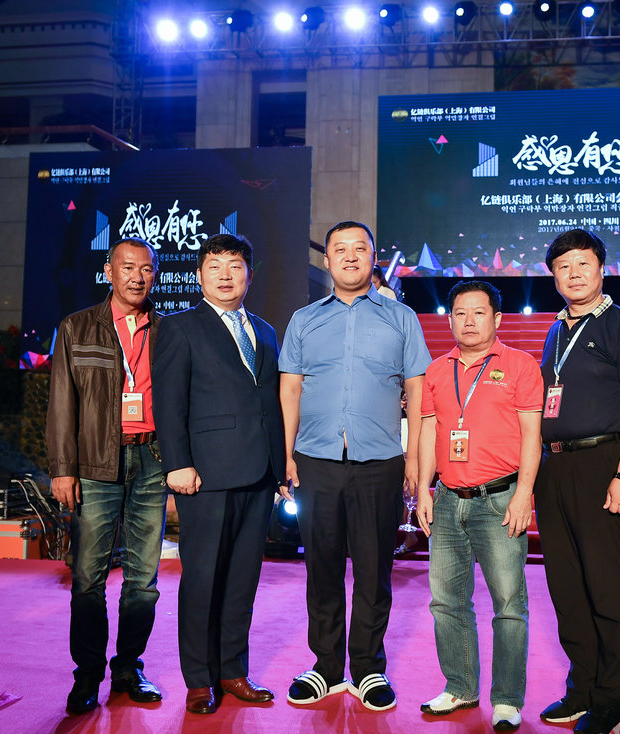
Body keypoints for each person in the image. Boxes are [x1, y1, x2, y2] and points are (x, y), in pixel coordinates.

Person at [279, 220, 431, 712]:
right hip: (316, 459)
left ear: (372, 257)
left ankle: (367, 668)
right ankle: (326, 668)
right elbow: (290, 389)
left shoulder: (401, 318)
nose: (349, 256)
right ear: (327, 261)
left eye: (359, 248)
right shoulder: (304, 320)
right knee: (321, 567)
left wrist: (413, 457)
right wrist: (286, 455)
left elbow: (417, 390)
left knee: (373, 569)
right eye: (339, 249)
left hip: (380, 461)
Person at [151, 233, 285, 715]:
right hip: (205, 475)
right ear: (199, 275)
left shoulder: (265, 330)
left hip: (259, 474)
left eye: (235, 266)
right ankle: (199, 678)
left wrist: (280, 467)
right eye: (215, 266)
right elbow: (169, 403)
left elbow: (270, 402)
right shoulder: (179, 327)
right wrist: (177, 464)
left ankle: (233, 670)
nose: (225, 275)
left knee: (242, 580)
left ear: (249, 273)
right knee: (203, 579)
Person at [535, 229, 620, 734]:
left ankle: (610, 699)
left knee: (607, 588)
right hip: (554, 469)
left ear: (602, 269)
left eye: (583, 263)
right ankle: (581, 688)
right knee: (566, 587)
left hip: (604, 465)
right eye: (564, 266)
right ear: (554, 276)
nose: (574, 273)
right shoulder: (556, 330)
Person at [415, 281, 543, 732]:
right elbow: (428, 432)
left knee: (508, 604)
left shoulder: (520, 365)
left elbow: (532, 435)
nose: (468, 321)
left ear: (497, 318)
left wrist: (524, 493)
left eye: (479, 312)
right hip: (448, 499)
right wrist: (423, 489)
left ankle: (506, 699)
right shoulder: (437, 370)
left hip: (501, 498)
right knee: (446, 601)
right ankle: (460, 686)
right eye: (460, 313)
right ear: (450, 318)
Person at [46, 237, 166, 715]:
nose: (138, 277)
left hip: (152, 462)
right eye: (128, 267)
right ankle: (87, 675)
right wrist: (63, 469)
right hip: (96, 464)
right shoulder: (77, 327)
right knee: (88, 579)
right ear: (109, 272)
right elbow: (61, 403)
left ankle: (129, 667)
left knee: (144, 582)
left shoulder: (167, 330)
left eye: (146, 269)